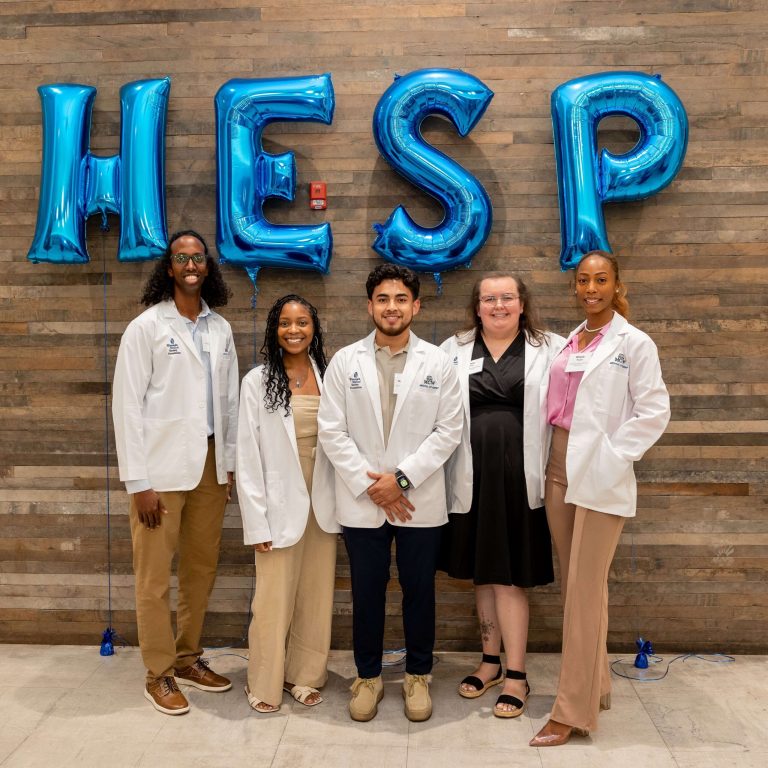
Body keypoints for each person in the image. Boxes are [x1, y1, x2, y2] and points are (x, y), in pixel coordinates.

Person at [530, 250, 670, 746]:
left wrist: (613, 457)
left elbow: (654, 410)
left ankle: (571, 711)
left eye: (601, 280)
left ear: (616, 285)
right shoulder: (574, 338)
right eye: (584, 281)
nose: (591, 288)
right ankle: (599, 684)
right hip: (558, 470)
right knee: (578, 590)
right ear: (575, 288)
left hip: (599, 472)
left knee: (586, 593)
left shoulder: (634, 343)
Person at [316, 264, 466, 723]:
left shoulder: (438, 363)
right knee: (367, 592)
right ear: (370, 306)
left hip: (417, 499)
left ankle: (419, 675)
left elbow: (448, 431)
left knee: (420, 591)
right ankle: (368, 677)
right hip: (362, 502)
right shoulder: (345, 361)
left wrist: (398, 480)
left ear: (416, 306)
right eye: (383, 299)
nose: (392, 307)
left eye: (401, 299)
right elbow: (331, 431)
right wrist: (371, 485)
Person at [112, 230, 239, 715]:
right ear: (169, 268)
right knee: (153, 579)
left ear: (208, 267)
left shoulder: (219, 328)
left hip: (209, 467)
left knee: (200, 570)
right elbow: (127, 407)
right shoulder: (146, 327)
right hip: (160, 472)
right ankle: (159, 673)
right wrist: (138, 484)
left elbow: (226, 404)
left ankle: (188, 658)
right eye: (181, 257)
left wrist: (226, 467)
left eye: (198, 257)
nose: (190, 264)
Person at [440, 272, 564, 718]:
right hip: (469, 478)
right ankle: (489, 661)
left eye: (506, 298)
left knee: (511, 576)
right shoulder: (452, 349)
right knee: (484, 571)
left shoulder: (552, 348)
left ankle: (517, 673)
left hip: (521, 479)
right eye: (489, 299)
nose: (498, 306)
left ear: (522, 303)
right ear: (476, 307)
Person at [236, 295, 340, 713]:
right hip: (278, 500)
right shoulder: (257, 381)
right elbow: (248, 455)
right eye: (285, 323)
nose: (293, 330)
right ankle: (263, 683)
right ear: (273, 330)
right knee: (273, 597)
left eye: (302, 323)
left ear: (314, 329)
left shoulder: (329, 376)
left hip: (324, 499)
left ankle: (305, 676)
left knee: (316, 593)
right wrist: (257, 523)